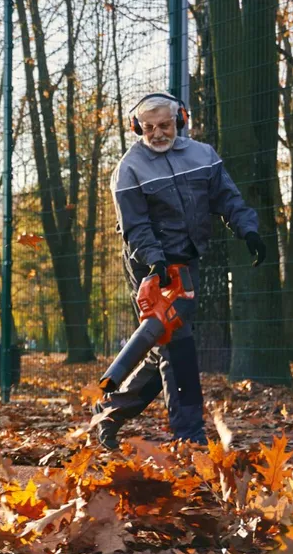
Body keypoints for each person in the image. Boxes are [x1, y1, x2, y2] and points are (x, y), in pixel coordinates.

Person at [93, 93, 266, 450]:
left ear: (180, 121)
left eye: (165, 126)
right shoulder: (129, 169)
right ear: (137, 127)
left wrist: (247, 229)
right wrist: (155, 263)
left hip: (187, 260)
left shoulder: (202, 156)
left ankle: (109, 410)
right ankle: (190, 437)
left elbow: (228, 198)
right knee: (177, 344)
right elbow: (135, 226)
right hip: (148, 264)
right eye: (149, 127)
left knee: (164, 349)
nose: (157, 134)